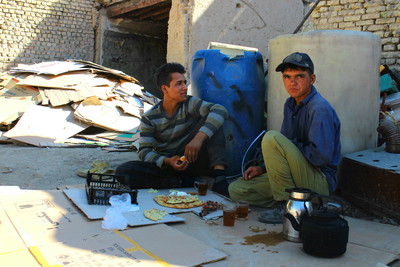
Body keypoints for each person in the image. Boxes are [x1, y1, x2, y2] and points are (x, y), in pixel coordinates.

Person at [228, 52, 341, 223]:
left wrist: (291, 148)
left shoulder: (318, 109)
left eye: (299, 77)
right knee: (237, 189)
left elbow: (320, 158)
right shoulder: (290, 104)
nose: (292, 82)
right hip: (296, 175)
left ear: (312, 79)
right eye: (287, 77)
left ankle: (285, 207)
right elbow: (284, 147)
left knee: (271, 138)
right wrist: (264, 168)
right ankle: (302, 204)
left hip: (319, 180)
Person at [116, 62, 230, 196]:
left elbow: (220, 110)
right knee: (123, 171)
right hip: (168, 165)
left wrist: (198, 139)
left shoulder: (189, 103)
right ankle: (180, 182)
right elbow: (144, 152)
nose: (184, 88)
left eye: (184, 83)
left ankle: (219, 178)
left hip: (192, 159)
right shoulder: (150, 118)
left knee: (213, 119)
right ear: (165, 89)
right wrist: (167, 161)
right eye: (178, 84)